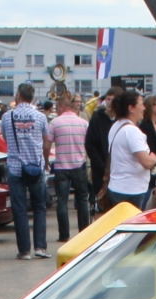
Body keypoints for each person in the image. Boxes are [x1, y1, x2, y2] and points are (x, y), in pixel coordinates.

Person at [0, 82, 51, 260]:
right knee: (39, 207)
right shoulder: (40, 117)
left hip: (15, 167)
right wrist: (44, 161)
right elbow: (46, 142)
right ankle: (40, 247)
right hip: (36, 167)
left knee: (20, 209)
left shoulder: (8, 116)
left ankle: (24, 251)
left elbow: (6, 138)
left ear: (19, 95)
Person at [104, 88, 156, 210]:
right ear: (131, 108)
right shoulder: (132, 131)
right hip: (132, 191)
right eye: (141, 104)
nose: (144, 108)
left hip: (116, 186)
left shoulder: (116, 126)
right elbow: (146, 162)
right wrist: (154, 157)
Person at [49, 93, 91, 241]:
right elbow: (89, 144)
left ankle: (64, 235)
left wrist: (46, 159)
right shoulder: (83, 123)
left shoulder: (54, 123)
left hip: (61, 166)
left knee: (62, 201)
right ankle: (84, 233)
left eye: (57, 107)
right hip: (79, 165)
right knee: (82, 199)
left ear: (62, 106)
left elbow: (47, 144)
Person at [85, 86, 119, 205]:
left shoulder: (122, 120)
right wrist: (101, 165)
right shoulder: (97, 118)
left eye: (112, 99)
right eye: (108, 99)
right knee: (102, 203)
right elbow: (90, 144)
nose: (109, 102)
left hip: (119, 171)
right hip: (101, 171)